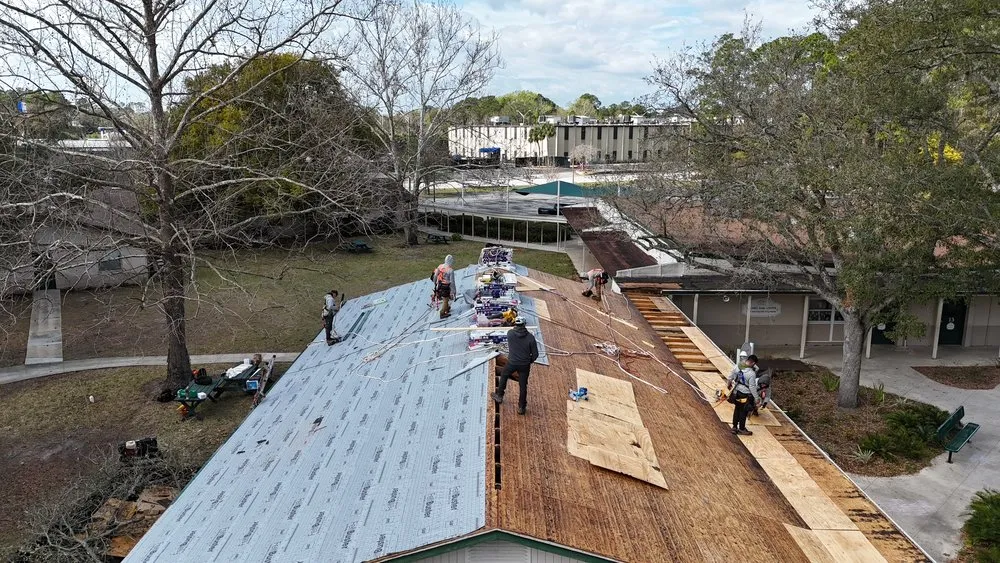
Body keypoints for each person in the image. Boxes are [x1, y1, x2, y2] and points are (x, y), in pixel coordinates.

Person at [491, 316, 539, 415]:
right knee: (523, 385)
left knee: (504, 375)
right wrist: (528, 361)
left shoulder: (510, 334)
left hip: (512, 363)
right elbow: (535, 355)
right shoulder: (530, 338)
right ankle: (521, 407)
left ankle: (499, 396)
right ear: (524, 324)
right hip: (524, 365)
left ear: (515, 324)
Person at [726, 354, 760, 435]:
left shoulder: (738, 366)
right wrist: (757, 398)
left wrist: (728, 384)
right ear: (753, 363)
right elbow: (752, 387)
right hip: (745, 394)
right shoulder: (751, 373)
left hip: (737, 392)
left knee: (737, 409)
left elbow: (730, 377)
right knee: (743, 411)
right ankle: (741, 428)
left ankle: (734, 427)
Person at [432, 254, 457, 318]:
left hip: (440, 285)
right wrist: (454, 291)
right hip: (446, 287)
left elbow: (435, 275)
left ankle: (447, 307)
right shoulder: (450, 270)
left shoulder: (440, 266)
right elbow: (452, 282)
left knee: (445, 298)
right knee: (446, 299)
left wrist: (435, 283)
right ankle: (442, 312)